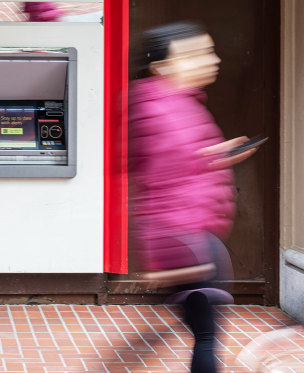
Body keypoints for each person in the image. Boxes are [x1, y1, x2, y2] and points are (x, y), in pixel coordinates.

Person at [128, 22, 258, 373]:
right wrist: (182, 254)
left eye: (209, 50)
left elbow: (173, 164)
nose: (211, 60)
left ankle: (138, 347)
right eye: (196, 54)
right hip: (188, 241)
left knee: (200, 330)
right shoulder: (162, 108)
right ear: (162, 66)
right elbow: (165, 174)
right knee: (206, 340)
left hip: (189, 238)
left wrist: (215, 155)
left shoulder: (170, 103)